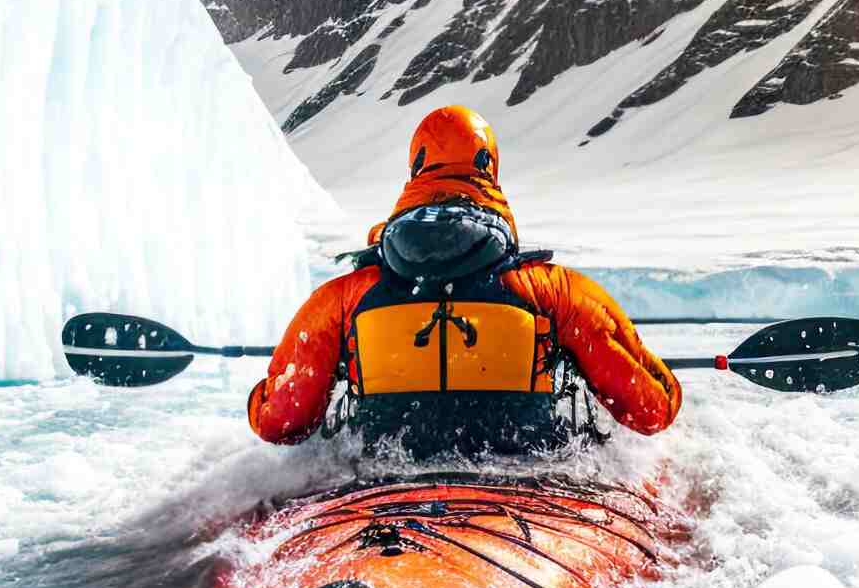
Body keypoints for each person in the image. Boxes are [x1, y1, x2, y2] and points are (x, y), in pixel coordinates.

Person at [247, 105, 682, 456]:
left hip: (382, 480)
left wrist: (265, 393)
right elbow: (650, 409)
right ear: (488, 166)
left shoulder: (346, 295)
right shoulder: (552, 290)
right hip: (524, 478)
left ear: (417, 165)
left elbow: (280, 421)